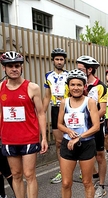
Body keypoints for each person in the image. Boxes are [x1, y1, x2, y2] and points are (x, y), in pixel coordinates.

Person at [0, 51, 48, 198]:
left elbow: (41, 112)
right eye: (11, 66)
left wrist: (43, 137)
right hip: (9, 139)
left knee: (29, 175)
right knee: (16, 175)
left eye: (17, 65)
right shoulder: (0, 88)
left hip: (28, 138)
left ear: (21, 67)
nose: (14, 69)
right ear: (4, 68)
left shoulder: (32, 87)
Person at [55, 69, 100, 198]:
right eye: (72, 84)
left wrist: (79, 137)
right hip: (68, 144)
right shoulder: (64, 103)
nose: (76, 87)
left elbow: (96, 126)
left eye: (79, 85)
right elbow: (59, 124)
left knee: (87, 181)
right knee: (66, 182)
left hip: (86, 144)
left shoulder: (90, 102)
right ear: (68, 86)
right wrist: (68, 131)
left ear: (84, 86)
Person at [76, 55, 108, 198]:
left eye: (81, 69)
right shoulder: (76, 84)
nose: (78, 71)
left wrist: (90, 120)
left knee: (99, 156)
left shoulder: (100, 86)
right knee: (83, 155)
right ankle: (89, 180)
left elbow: (102, 109)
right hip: (80, 127)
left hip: (96, 126)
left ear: (90, 70)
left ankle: (101, 185)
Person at [42, 48, 68, 184]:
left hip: (69, 110)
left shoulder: (69, 75)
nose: (59, 61)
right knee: (59, 143)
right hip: (55, 109)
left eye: (61, 59)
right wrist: (42, 112)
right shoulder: (48, 76)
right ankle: (62, 171)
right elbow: (47, 96)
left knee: (74, 140)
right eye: (57, 59)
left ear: (64, 61)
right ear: (53, 60)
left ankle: (83, 168)